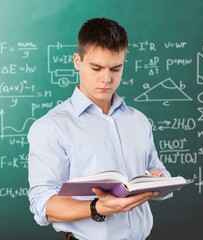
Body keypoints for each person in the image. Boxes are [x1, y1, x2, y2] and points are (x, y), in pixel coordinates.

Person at [28, 17, 172, 240]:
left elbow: (158, 170)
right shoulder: (50, 127)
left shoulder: (139, 120)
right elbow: (43, 203)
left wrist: (159, 179)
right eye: (97, 68)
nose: (107, 79)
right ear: (77, 61)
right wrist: (98, 208)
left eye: (116, 68)